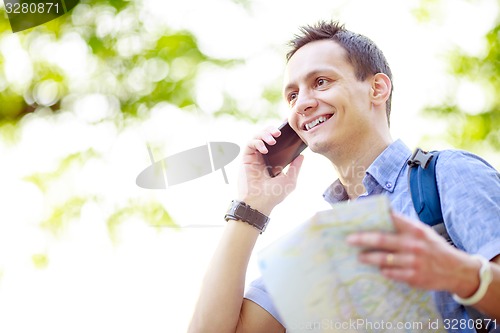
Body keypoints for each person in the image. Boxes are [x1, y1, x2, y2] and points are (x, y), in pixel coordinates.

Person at [188, 21, 500, 333]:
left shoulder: (447, 175)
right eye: (292, 95)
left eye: (321, 82)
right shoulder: (315, 245)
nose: (303, 104)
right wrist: (250, 204)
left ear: (377, 88)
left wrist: (459, 274)